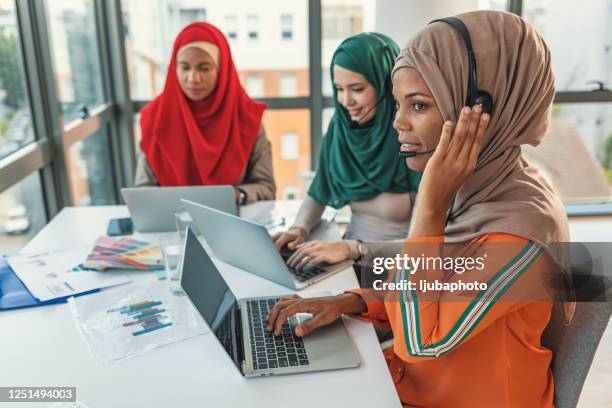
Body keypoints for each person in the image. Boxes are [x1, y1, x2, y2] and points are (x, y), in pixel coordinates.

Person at [267, 11, 574, 407]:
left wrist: (430, 203)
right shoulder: (478, 192)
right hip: (412, 385)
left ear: (481, 112)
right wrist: (355, 301)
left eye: (419, 105)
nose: (397, 123)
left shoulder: (520, 230)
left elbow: (421, 341)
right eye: (398, 104)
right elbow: (439, 287)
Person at [272, 33, 422, 273]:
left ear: (387, 85)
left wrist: (353, 249)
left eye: (357, 89)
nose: (345, 100)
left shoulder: (414, 137)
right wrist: (298, 228)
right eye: (339, 89)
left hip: (402, 270)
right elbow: (319, 192)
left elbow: (426, 250)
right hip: (347, 259)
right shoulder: (341, 128)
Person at [135, 22, 276, 205]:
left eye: (204, 68)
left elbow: (266, 187)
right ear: (174, 68)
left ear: (221, 70)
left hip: (233, 224)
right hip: (170, 226)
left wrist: (238, 195)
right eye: (185, 67)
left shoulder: (246, 117)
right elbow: (142, 191)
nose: (193, 78)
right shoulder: (154, 119)